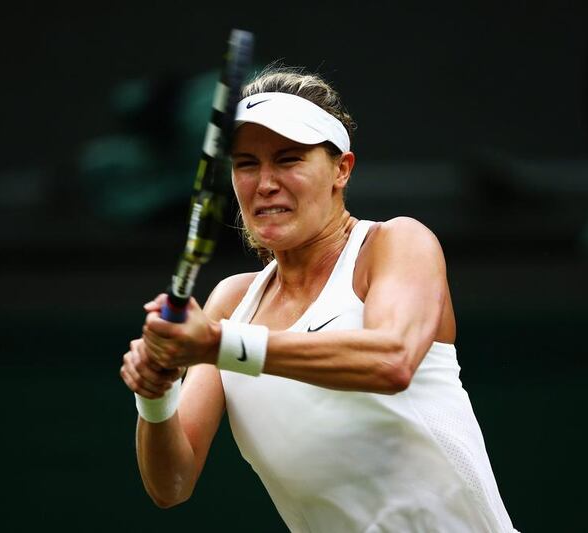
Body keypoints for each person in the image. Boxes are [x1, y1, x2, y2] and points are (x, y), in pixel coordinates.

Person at [120, 65, 518, 532]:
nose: (264, 182)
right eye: (247, 163)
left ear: (340, 170)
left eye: (288, 160)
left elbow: (391, 360)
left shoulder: (394, 244)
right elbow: (172, 484)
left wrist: (216, 345)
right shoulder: (230, 303)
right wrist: (156, 390)